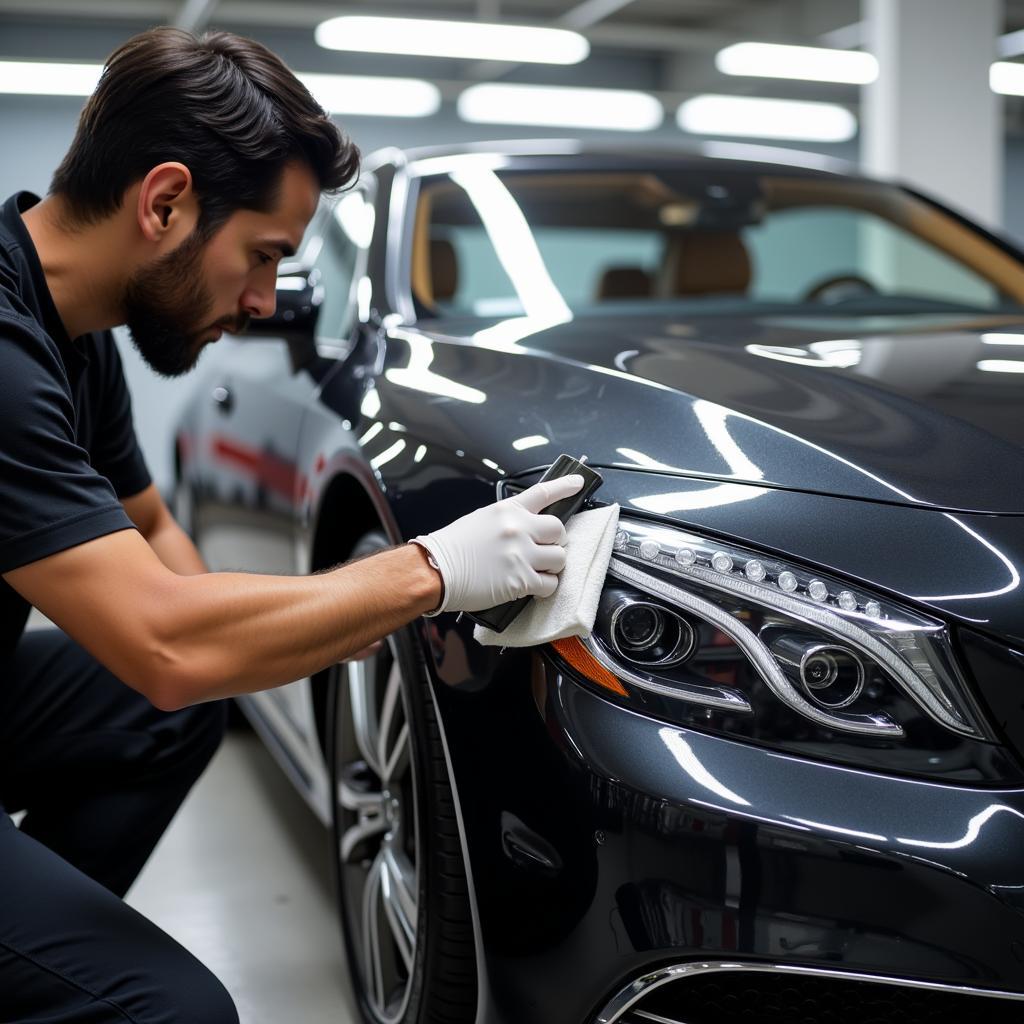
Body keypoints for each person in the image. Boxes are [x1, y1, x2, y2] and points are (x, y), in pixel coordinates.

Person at [0, 27, 582, 1023]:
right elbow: (163, 641)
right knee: (174, 1008)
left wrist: (337, 612)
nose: (268, 299)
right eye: (264, 255)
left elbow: (161, 560)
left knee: (177, 706)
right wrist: (427, 572)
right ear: (166, 202)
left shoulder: (71, 327)